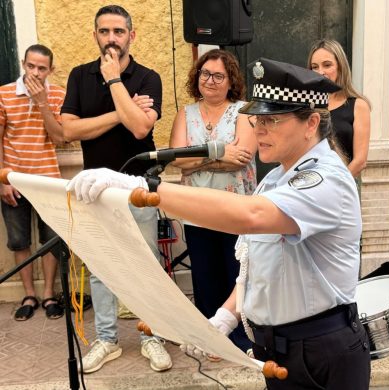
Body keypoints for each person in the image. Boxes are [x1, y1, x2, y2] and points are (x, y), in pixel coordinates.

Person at [66, 58, 371, 389]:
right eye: (256, 120)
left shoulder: (325, 178)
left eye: (272, 120)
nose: (259, 129)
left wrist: (145, 189)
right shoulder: (277, 179)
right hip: (280, 350)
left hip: (321, 349)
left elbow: (249, 215)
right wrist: (225, 317)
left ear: (311, 122)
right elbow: (257, 269)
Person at [60, 4, 172, 373]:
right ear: (95, 35)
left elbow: (141, 129)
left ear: (131, 35)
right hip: (95, 188)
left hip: (137, 185)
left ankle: (150, 335)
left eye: (118, 32)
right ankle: (106, 339)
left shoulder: (148, 77)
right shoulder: (79, 76)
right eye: (104, 31)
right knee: (101, 267)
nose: (111, 38)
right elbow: (69, 131)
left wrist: (114, 82)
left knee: (145, 263)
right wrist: (121, 111)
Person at [169, 48, 256, 352]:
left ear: (231, 81)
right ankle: (211, 340)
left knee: (237, 275)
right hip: (197, 209)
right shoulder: (186, 113)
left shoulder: (244, 111)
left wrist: (197, 156)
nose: (211, 80)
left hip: (235, 209)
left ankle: (241, 340)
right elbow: (176, 160)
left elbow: (241, 159)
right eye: (206, 74)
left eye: (219, 75)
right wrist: (218, 152)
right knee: (205, 277)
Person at [0, 44, 65, 321]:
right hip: (13, 179)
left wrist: (42, 102)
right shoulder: (3, 94)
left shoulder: (58, 94)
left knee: (50, 240)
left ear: (50, 70)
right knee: (19, 240)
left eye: (42, 68)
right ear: (23, 64)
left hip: (48, 179)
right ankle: (29, 294)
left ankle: (49, 294)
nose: (35, 73)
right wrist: (2, 180)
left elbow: (60, 137)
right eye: (31, 66)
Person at [308, 39, 370, 178]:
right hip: (307, 187)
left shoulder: (358, 105)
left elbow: (360, 161)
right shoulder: (306, 105)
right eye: (315, 67)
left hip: (343, 186)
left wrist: (335, 185)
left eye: (327, 65)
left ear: (340, 67)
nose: (320, 72)